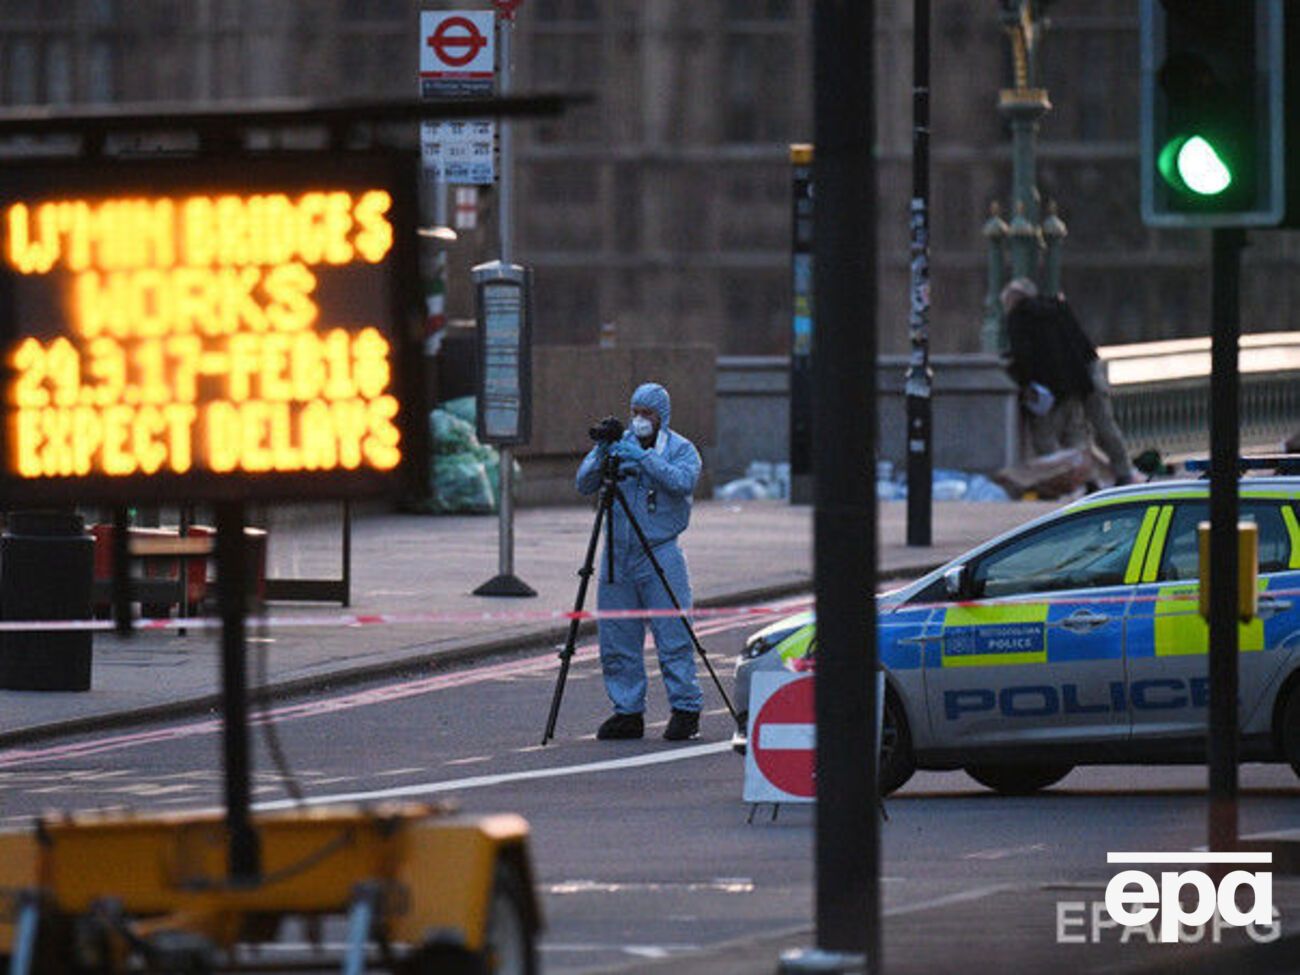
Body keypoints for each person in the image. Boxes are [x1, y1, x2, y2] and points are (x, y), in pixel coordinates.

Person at [576, 382, 704, 741]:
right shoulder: (619, 446)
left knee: (673, 633)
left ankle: (686, 708)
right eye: (635, 411)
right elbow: (583, 483)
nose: (640, 419)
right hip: (618, 553)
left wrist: (645, 460)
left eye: (647, 413)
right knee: (617, 637)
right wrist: (602, 452)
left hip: (660, 550)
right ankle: (627, 710)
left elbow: (682, 482)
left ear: (661, 416)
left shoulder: (681, 449)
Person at [1000, 277, 1137, 485]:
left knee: (1046, 440)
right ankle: (1120, 472)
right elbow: (1082, 345)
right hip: (1082, 380)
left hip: (1051, 388)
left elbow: (1024, 354)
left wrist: (1024, 381)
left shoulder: (1019, 316)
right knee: (1085, 431)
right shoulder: (1058, 309)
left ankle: (1074, 480)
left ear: (1012, 300)